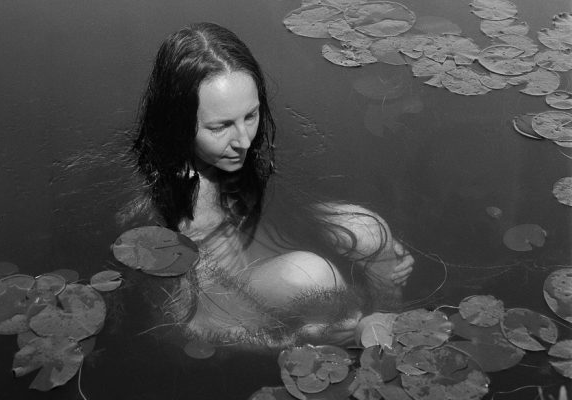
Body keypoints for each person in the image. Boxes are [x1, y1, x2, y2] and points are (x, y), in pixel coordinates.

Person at [121, 22, 414, 347]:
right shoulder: (174, 197)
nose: (244, 141)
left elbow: (280, 203)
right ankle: (359, 347)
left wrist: (374, 246)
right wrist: (285, 338)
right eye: (221, 127)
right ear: (177, 124)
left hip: (247, 232)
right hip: (224, 293)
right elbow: (186, 324)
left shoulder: (235, 154)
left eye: (250, 115)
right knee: (315, 277)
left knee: (370, 232)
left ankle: (392, 323)